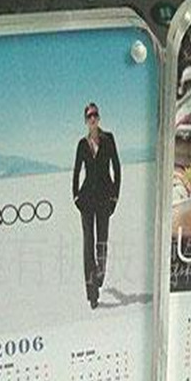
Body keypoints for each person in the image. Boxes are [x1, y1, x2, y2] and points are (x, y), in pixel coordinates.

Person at [72, 103, 121, 309]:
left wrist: (115, 197)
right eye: (89, 116)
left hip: (104, 199)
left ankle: (100, 273)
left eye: (95, 115)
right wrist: (75, 196)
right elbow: (76, 171)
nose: (92, 118)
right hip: (86, 200)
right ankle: (92, 293)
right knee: (88, 246)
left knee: (102, 243)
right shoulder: (82, 144)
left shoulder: (108, 139)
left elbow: (117, 168)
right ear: (86, 121)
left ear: (99, 118)